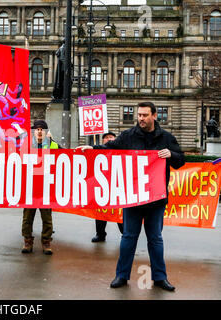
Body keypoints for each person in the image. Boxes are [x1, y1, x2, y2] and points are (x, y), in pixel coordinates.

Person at [78, 102, 185, 291]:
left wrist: (172, 154)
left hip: (156, 199)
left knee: (155, 239)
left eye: (145, 115)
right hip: (133, 197)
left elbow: (181, 161)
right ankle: (121, 275)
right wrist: (94, 149)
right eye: (139, 115)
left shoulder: (166, 138)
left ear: (154, 116)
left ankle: (160, 277)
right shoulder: (128, 136)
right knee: (128, 237)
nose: (141, 119)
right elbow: (110, 147)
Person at [21, 120, 59, 255]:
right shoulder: (26, 145)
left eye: (42, 129)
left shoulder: (54, 145)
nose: (39, 131)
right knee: (27, 218)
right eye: (36, 129)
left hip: (46, 188)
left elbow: (67, 158)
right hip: (30, 187)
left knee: (47, 218)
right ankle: (27, 241)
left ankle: (46, 241)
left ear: (46, 131)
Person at [91, 131, 124, 242]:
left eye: (111, 137)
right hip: (102, 187)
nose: (109, 139)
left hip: (118, 186)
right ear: (102, 141)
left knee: (120, 213)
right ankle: (100, 234)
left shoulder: (121, 151)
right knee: (100, 212)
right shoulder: (97, 151)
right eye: (106, 138)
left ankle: (125, 234)